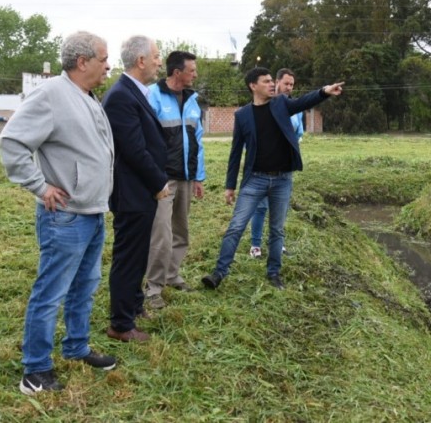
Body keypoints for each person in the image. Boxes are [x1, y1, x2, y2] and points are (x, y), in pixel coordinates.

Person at [0, 31, 115, 395]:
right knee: (51, 291)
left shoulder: (87, 95)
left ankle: (77, 347)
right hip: (65, 215)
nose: (108, 65)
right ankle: (35, 370)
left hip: (92, 211)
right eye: (103, 58)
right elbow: (12, 141)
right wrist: (39, 186)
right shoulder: (51, 95)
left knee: (85, 286)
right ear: (83, 62)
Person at [201, 67, 343, 291]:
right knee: (236, 226)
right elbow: (235, 152)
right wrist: (230, 186)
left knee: (277, 230)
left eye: (271, 80)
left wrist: (324, 91)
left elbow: (304, 102)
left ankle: (274, 273)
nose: (271, 84)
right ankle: (219, 273)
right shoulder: (242, 115)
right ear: (253, 86)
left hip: (282, 180)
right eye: (266, 81)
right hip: (254, 180)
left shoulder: (281, 104)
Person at [103, 36, 170, 343]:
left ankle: (133, 305)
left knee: (139, 253)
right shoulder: (120, 96)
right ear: (141, 60)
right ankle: (120, 324)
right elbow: (133, 149)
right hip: (132, 193)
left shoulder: (133, 92)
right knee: (129, 257)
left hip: (140, 191)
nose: (160, 61)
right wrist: (158, 183)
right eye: (156, 56)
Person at [144, 51, 204, 309]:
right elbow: (144, 139)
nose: (196, 74)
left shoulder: (193, 100)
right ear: (177, 72)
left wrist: (199, 177)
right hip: (163, 180)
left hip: (187, 178)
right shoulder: (152, 96)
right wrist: (153, 177)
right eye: (192, 70)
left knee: (181, 231)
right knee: (161, 235)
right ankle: (153, 288)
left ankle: (172, 275)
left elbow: (198, 140)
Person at [248, 68, 304, 259]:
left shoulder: (295, 109)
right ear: (277, 82)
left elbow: (298, 135)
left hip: (284, 169)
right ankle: (255, 245)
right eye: (286, 83)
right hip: (263, 167)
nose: (288, 88)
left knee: (279, 208)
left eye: (292, 85)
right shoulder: (265, 104)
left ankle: (277, 245)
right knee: (261, 206)